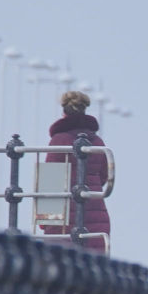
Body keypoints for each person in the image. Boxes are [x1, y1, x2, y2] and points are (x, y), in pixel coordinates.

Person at [42, 90, 111, 253]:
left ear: (64, 112)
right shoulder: (98, 141)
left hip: (65, 218)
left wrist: (46, 223)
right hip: (97, 214)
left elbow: (50, 181)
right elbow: (104, 176)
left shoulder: (59, 140)